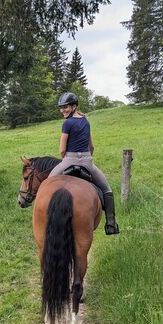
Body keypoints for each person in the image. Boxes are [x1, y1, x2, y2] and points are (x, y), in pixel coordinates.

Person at [48, 92, 119, 235]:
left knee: (47, 183)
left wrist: (67, 159)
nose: (63, 110)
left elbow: (62, 150)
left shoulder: (67, 123)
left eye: (65, 107)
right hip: (87, 162)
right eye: (61, 108)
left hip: (69, 161)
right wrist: (86, 159)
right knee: (106, 190)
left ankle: (45, 218)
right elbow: (91, 147)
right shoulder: (86, 121)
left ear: (74, 106)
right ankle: (111, 224)